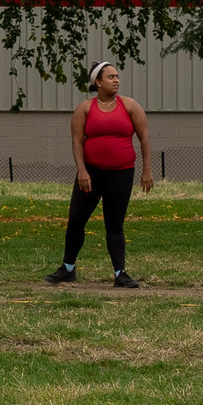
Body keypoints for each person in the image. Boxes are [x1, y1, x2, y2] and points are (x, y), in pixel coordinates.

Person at [49, 60, 153, 288]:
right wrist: (82, 170)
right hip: (91, 175)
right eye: (110, 77)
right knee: (76, 220)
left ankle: (120, 273)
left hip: (121, 174)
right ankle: (68, 269)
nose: (116, 80)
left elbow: (144, 138)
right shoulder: (85, 108)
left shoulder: (130, 106)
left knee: (114, 224)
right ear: (97, 82)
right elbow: (77, 142)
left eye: (117, 76)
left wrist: (147, 170)